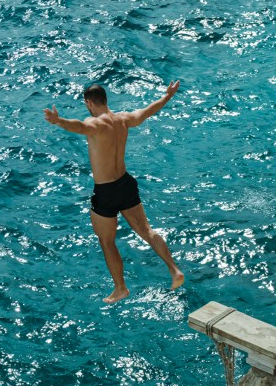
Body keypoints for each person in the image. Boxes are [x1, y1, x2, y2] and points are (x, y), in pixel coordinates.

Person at [44, 81, 185, 303]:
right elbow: (148, 111)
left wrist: (58, 121)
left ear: (89, 102)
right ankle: (174, 269)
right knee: (146, 230)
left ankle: (120, 288)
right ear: (106, 100)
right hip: (125, 184)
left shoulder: (96, 123)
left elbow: (80, 127)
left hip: (106, 191)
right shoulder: (123, 120)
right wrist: (167, 96)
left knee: (107, 241)